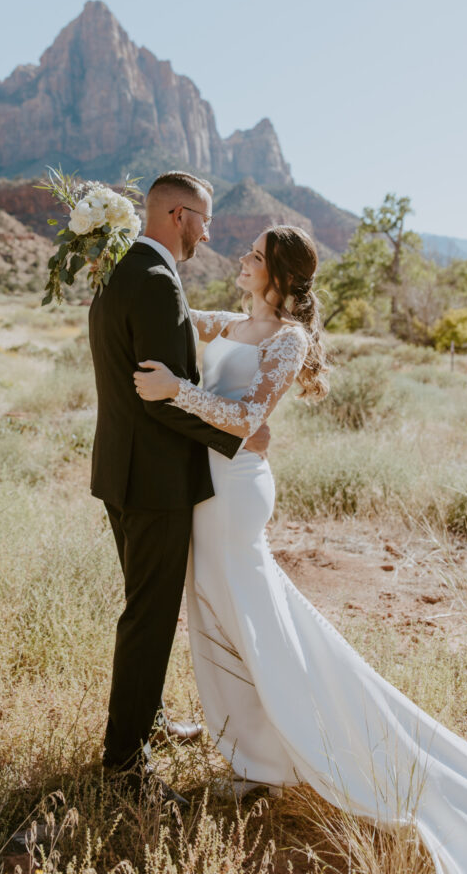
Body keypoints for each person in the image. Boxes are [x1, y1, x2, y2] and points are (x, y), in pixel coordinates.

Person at [134, 224, 467, 874]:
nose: (240, 260)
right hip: (201, 487)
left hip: (236, 493)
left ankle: (287, 753)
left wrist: (176, 393)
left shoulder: (287, 338)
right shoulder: (232, 324)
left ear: (276, 273)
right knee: (214, 614)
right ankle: (255, 760)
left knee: (251, 616)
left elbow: (248, 421)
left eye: (251, 256)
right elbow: (178, 314)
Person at [88, 171, 270, 804]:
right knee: (149, 617)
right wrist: (239, 439)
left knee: (147, 608)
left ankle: (150, 719)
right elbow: (159, 397)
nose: (210, 232)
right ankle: (124, 769)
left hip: (120, 470)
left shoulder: (116, 270)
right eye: (205, 220)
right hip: (156, 482)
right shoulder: (158, 281)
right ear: (176, 216)